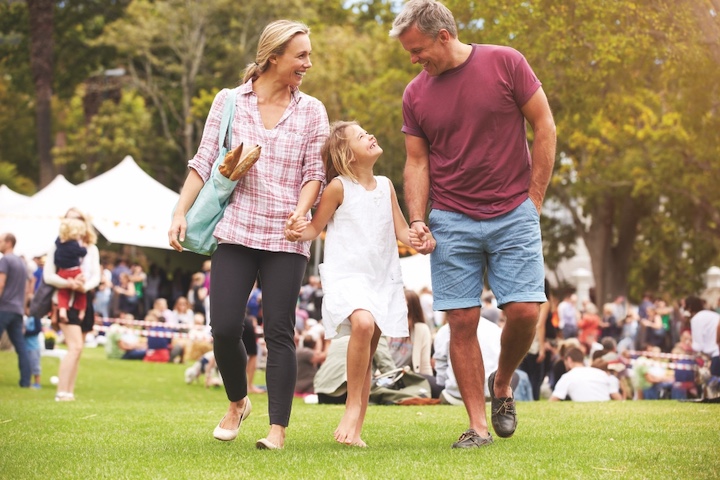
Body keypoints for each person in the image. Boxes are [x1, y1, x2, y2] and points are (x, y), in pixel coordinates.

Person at [390, 0, 556, 448]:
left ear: (444, 36)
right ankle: (478, 426)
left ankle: (501, 382)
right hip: (450, 217)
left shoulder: (506, 62)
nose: (414, 59)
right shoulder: (415, 94)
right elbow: (417, 161)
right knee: (461, 320)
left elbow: (544, 125)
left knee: (525, 312)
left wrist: (534, 200)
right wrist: (418, 218)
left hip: (513, 211)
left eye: (418, 49)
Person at [168, 20, 330, 450]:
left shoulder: (312, 110)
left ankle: (277, 430)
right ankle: (238, 402)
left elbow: (315, 173)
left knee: (279, 330)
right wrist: (180, 212)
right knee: (223, 327)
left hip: (286, 236)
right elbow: (203, 161)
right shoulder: (229, 101)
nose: (308, 64)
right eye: (301, 56)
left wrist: (301, 213)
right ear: (273, 57)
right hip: (236, 229)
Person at [285, 120, 432, 447]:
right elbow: (314, 228)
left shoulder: (386, 186)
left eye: (368, 132)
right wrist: (297, 230)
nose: (371, 135)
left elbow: (402, 231)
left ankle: (355, 431)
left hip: (380, 276)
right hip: (348, 274)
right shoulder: (338, 188)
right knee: (362, 324)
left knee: (367, 351)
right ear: (347, 155)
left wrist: (419, 238)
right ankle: (351, 408)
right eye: (362, 136)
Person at [44, 208, 101, 401]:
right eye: (68, 218)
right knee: (75, 347)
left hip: (84, 299)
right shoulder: (57, 246)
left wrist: (84, 286)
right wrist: (69, 283)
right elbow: (48, 276)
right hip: (65, 301)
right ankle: (61, 391)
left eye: (76, 218)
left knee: (78, 350)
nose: (72, 221)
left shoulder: (91, 248)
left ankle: (69, 391)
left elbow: (96, 276)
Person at [0, 233, 32, 388]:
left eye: (0, 241)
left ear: (8, 243)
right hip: (17, 310)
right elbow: (27, 287)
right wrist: (24, 307)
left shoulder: (5, 260)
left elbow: (1, 283)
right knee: (21, 347)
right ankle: (25, 381)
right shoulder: (21, 262)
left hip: (4, 307)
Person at [388, 290, 434, 377]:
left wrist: (427, 382)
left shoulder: (421, 330)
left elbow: (425, 364)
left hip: (408, 379)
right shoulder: (389, 327)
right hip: (385, 376)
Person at [549, 348, 622, 401]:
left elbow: (554, 399)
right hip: (606, 409)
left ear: (569, 360)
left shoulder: (567, 376)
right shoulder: (600, 373)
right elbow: (616, 395)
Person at [53, 218, 88, 322]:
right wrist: (84, 248)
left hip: (62, 271)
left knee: (63, 293)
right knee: (80, 292)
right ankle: (81, 311)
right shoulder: (73, 244)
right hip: (74, 271)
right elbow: (82, 253)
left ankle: (62, 310)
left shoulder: (59, 242)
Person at [685, 296, 720, 377]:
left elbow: (698, 346)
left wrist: (689, 344)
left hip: (716, 356)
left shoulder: (696, 319)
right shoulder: (712, 315)